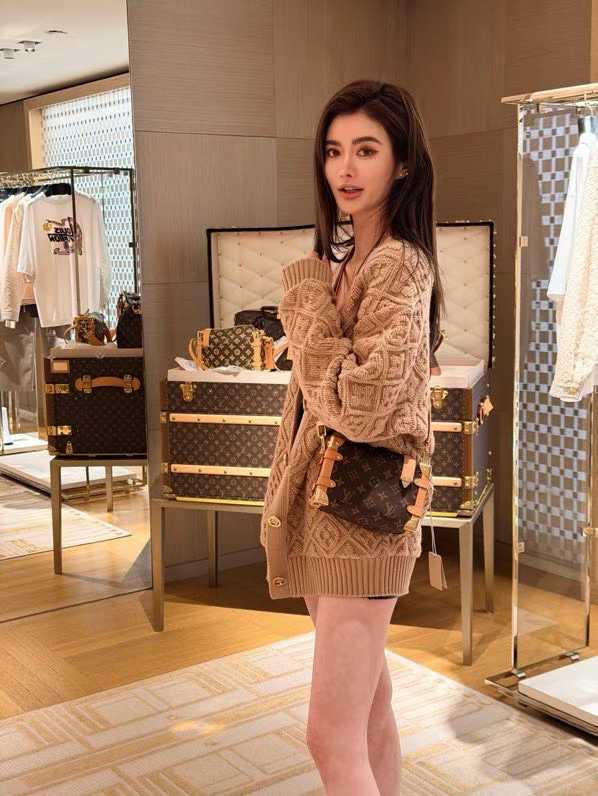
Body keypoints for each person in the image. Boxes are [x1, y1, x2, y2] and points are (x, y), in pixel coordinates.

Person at [259, 80, 446, 795]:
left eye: (366, 150)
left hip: (359, 521)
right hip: (335, 512)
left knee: (328, 735)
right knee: (367, 715)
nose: (345, 167)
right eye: (334, 150)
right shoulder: (356, 263)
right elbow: (324, 395)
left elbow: (360, 407)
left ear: (403, 164)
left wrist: (305, 297)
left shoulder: (398, 262)